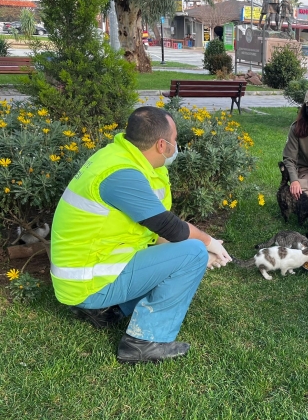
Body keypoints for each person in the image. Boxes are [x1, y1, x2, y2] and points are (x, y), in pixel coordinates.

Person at [50, 107, 232, 364]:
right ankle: (144, 342)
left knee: (190, 252)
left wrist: (194, 254)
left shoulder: (120, 158)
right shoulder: (122, 175)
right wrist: (206, 243)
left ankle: (108, 310)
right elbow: (171, 227)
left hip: (91, 269)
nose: (176, 146)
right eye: (175, 139)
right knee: (192, 250)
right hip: (87, 282)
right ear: (161, 144)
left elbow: (150, 232)